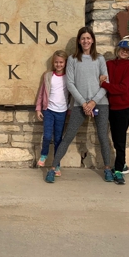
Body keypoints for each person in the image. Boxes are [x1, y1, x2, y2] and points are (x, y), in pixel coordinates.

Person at [46, 26, 111, 183]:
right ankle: (53, 168)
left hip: (100, 103)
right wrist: (84, 103)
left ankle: (108, 168)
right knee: (68, 136)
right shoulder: (73, 59)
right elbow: (70, 83)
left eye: (88, 38)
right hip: (79, 105)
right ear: (79, 41)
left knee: (103, 136)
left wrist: (93, 102)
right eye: (83, 38)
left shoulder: (100, 59)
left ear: (93, 40)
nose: (86, 41)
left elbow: (106, 82)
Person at [99, 38, 129, 185]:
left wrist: (105, 85)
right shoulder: (109, 64)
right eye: (122, 49)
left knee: (120, 141)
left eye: (127, 51)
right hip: (110, 106)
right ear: (118, 49)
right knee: (114, 138)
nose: (124, 52)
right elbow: (101, 73)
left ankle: (119, 170)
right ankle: (123, 164)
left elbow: (122, 88)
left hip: (122, 108)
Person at [35, 50, 69, 177]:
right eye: (56, 62)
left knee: (58, 139)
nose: (58, 64)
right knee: (48, 136)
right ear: (53, 62)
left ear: (65, 63)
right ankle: (44, 154)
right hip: (48, 110)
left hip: (62, 111)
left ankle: (57, 163)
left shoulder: (68, 77)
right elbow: (41, 92)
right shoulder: (48, 76)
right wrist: (38, 108)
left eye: (61, 62)